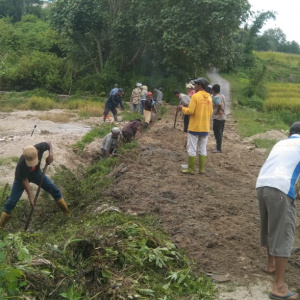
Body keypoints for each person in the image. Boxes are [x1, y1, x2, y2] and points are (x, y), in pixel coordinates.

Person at [256, 122, 300, 300]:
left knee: (270, 228)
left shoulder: (280, 143)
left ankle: (271, 265)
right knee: (283, 233)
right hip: (281, 189)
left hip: (262, 185)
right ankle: (279, 287)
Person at [0, 142, 70, 230]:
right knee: (11, 202)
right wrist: (31, 197)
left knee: (54, 190)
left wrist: (51, 154)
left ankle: (67, 214)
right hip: (21, 179)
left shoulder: (40, 147)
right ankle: (0, 228)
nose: (32, 165)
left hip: (36, 174)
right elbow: (25, 180)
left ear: (37, 152)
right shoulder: (21, 164)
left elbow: (49, 144)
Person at [177, 77, 212, 174]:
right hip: (205, 128)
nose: (194, 87)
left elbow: (190, 111)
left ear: (199, 86)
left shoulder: (195, 97)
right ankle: (201, 169)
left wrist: (182, 108)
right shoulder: (209, 98)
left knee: (192, 148)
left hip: (195, 127)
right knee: (202, 148)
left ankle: (191, 169)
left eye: (195, 85)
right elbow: (210, 112)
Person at [211, 84, 226, 153]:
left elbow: (219, 104)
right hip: (223, 117)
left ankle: (218, 148)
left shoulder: (216, 97)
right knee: (220, 133)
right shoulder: (222, 96)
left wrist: (218, 110)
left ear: (213, 90)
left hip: (218, 118)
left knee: (217, 133)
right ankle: (218, 147)